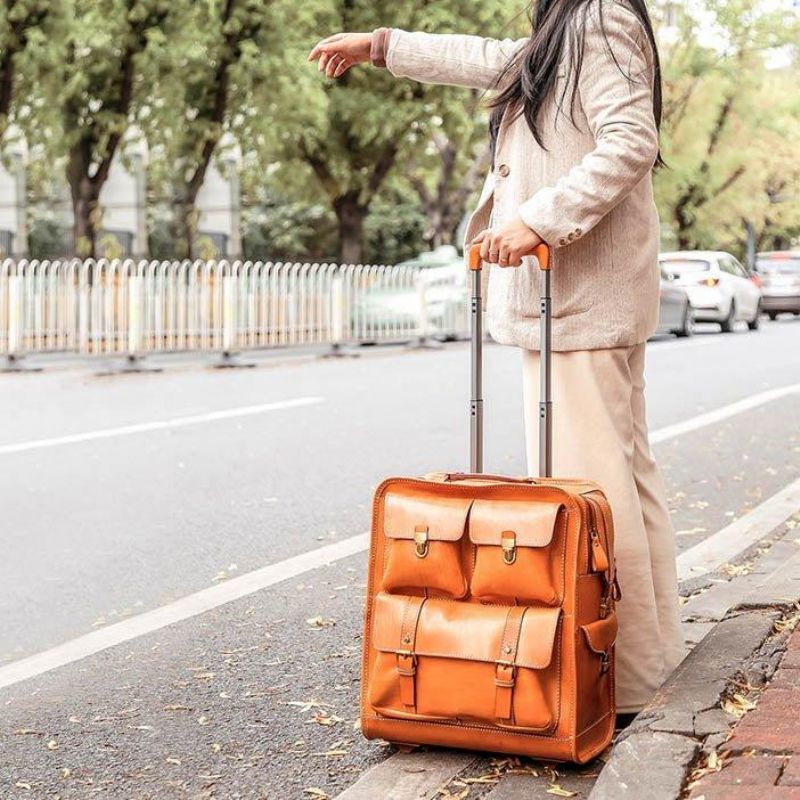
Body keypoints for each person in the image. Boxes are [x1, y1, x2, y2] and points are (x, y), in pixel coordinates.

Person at [309, 0, 686, 717]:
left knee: (592, 494)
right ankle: (648, 661)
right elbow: (487, 58)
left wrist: (539, 219)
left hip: (578, 301)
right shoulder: (570, 26)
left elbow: (630, 140)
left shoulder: (597, 17)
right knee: (623, 480)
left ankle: (621, 682)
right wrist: (382, 46)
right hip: (581, 302)